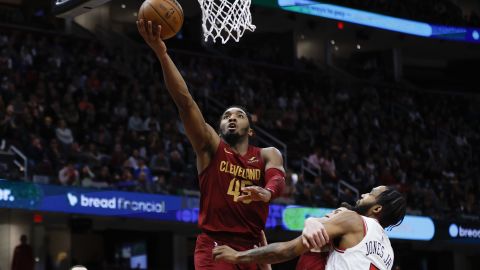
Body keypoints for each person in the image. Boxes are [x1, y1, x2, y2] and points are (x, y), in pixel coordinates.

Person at [137, 20, 286, 270]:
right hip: (215, 245)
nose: (231, 118)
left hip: (253, 247)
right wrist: (162, 53)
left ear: (250, 129)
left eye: (238, 115)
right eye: (226, 116)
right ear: (218, 128)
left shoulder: (267, 153)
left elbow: (278, 178)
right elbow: (185, 102)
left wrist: (268, 191)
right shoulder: (211, 147)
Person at [213, 186, 406, 270]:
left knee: (316, 242)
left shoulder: (353, 220)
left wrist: (238, 256)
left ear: (377, 208)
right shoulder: (389, 253)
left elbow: (290, 249)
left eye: (371, 193)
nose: (364, 193)